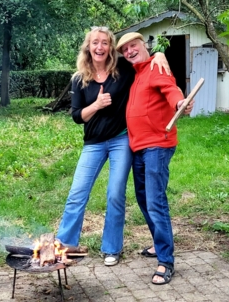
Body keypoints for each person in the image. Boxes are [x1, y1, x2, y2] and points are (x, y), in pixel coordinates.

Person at [56, 26, 170, 267]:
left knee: (115, 193)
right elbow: (77, 116)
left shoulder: (123, 70)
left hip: (121, 140)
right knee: (77, 194)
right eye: (95, 43)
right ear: (88, 46)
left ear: (110, 47)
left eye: (105, 43)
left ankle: (112, 248)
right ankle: (64, 246)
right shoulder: (79, 78)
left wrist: (159, 54)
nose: (99, 47)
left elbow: (144, 62)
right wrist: (96, 104)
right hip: (93, 143)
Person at [116, 32, 194, 283]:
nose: (129, 51)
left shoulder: (156, 67)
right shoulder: (136, 72)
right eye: (125, 49)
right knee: (144, 199)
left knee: (155, 201)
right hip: (138, 147)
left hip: (157, 145)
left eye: (133, 46)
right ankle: (158, 243)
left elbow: (170, 89)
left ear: (144, 46)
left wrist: (180, 103)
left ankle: (165, 260)